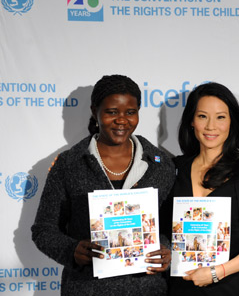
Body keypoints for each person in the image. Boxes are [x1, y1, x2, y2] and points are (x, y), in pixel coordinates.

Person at [31, 75, 175, 296]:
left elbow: (169, 224)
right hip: (86, 288)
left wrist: (166, 250)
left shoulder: (160, 163)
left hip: (147, 289)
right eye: (111, 112)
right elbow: (44, 229)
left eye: (130, 112)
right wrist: (71, 250)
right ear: (94, 111)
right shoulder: (69, 164)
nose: (121, 120)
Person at [162, 82, 239, 296]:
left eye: (221, 117)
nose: (211, 126)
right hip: (180, 287)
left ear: (232, 122)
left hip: (230, 286)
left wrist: (216, 272)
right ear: (191, 121)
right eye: (202, 116)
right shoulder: (172, 169)